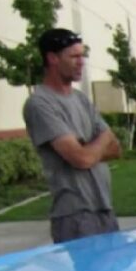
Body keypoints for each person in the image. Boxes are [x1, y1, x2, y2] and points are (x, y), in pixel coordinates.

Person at [23, 28, 121, 244]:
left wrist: (89, 147)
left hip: (104, 210)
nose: (81, 62)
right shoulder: (41, 103)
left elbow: (115, 149)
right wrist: (99, 142)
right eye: (74, 56)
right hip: (75, 216)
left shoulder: (81, 99)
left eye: (82, 56)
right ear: (52, 58)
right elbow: (81, 159)